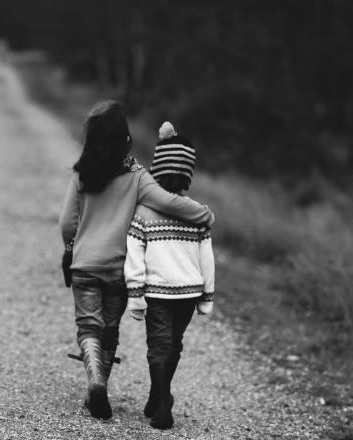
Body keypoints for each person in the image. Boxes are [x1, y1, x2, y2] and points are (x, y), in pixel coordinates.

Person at [58, 102, 215, 420]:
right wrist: (204, 215)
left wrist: (72, 246)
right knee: (110, 330)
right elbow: (168, 202)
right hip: (118, 268)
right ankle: (101, 385)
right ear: (124, 139)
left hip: (85, 264)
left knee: (89, 326)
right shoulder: (137, 177)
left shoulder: (81, 175)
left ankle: (96, 383)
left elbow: (66, 224)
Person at [124, 121, 215, 430]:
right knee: (174, 344)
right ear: (187, 174)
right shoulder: (196, 213)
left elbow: (134, 254)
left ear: (156, 170)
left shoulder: (144, 211)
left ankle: (162, 404)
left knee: (159, 346)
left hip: (157, 292)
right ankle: (159, 395)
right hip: (188, 292)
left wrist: (135, 294)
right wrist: (207, 295)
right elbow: (207, 258)